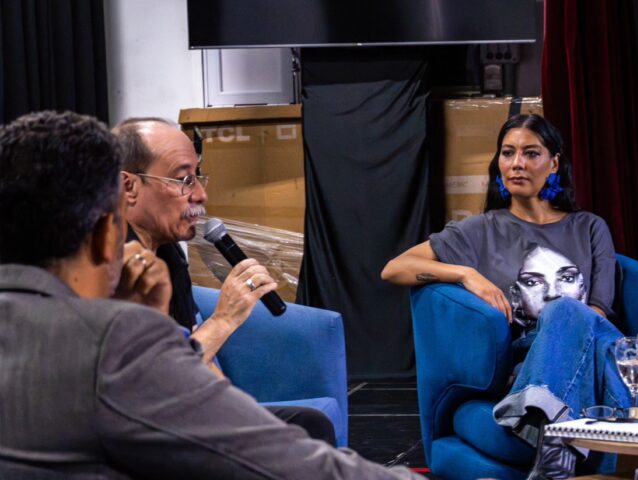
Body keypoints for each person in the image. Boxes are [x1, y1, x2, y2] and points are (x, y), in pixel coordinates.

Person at [0, 110, 424, 479]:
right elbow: (276, 458)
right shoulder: (110, 342)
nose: (201, 195)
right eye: (184, 179)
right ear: (105, 235)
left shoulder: (160, 271)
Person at [381, 114, 631, 479]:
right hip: (522, 359)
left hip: (587, 350)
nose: (517, 163)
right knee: (577, 319)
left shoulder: (589, 227)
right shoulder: (480, 231)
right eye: (508, 152)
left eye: (531, 153)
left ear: (554, 163)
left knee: (570, 311)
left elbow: (598, 313)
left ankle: (549, 440)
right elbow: (394, 268)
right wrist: (466, 274)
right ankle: (572, 443)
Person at [112, 117, 335, 445]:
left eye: (198, 177)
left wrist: (240, 413)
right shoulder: (107, 267)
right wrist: (224, 319)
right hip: (140, 428)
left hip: (184, 409)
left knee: (306, 424)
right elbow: (149, 381)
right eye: (184, 180)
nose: (201, 195)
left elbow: (197, 355)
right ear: (129, 187)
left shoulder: (170, 255)